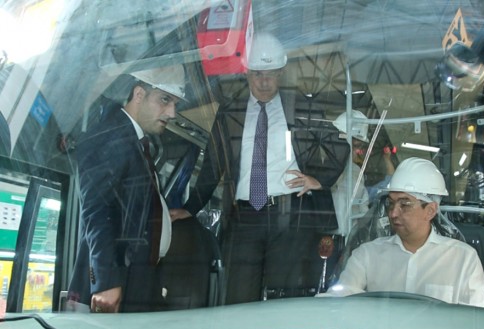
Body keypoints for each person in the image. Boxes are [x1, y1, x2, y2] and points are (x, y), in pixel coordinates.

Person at [178, 32, 349, 304]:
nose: (264, 82)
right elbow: (213, 163)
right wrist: (190, 208)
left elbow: (339, 146)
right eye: (258, 74)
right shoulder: (231, 112)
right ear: (246, 73)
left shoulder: (299, 107)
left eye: (271, 74)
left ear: (281, 73)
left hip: (289, 215)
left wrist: (319, 179)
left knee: (284, 297)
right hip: (245, 217)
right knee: (239, 295)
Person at [67, 64, 186, 313]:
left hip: (136, 276)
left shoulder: (135, 140)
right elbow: (97, 212)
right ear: (139, 94)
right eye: (165, 100)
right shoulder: (109, 137)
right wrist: (105, 281)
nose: (172, 112)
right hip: (117, 281)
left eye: (175, 103)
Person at [322, 157, 484, 308]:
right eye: (391, 203)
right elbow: (337, 302)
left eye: (405, 204)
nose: (393, 213)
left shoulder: (463, 259)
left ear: (430, 211)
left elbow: (477, 320)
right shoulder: (366, 255)